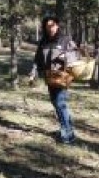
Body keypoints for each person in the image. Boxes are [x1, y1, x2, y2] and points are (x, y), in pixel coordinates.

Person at [29, 16, 78, 144]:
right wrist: (33, 73)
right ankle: (68, 130)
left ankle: (67, 136)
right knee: (56, 104)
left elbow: (75, 56)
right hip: (49, 77)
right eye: (47, 26)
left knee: (60, 103)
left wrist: (65, 57)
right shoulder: (43, 42)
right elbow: (37, 59)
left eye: (52, 25)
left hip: (62, 77)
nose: (50, 28)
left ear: (57, 25)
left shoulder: (65, 40)